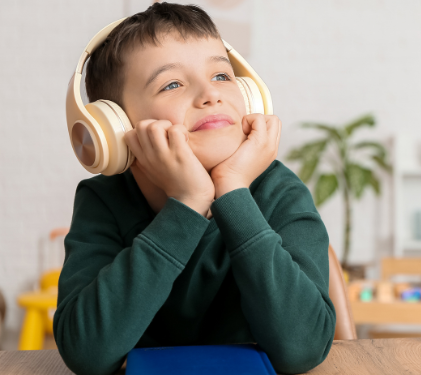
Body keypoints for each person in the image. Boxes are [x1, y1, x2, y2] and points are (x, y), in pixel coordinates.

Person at [54, 3, 335, 375]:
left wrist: (233, 192)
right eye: (172, 84)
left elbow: (303, 348)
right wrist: (187, 204)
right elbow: (87, 353)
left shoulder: (278, 191)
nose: (210, 95)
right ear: (116, 129)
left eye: (222, 75)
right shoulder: (103, 200)